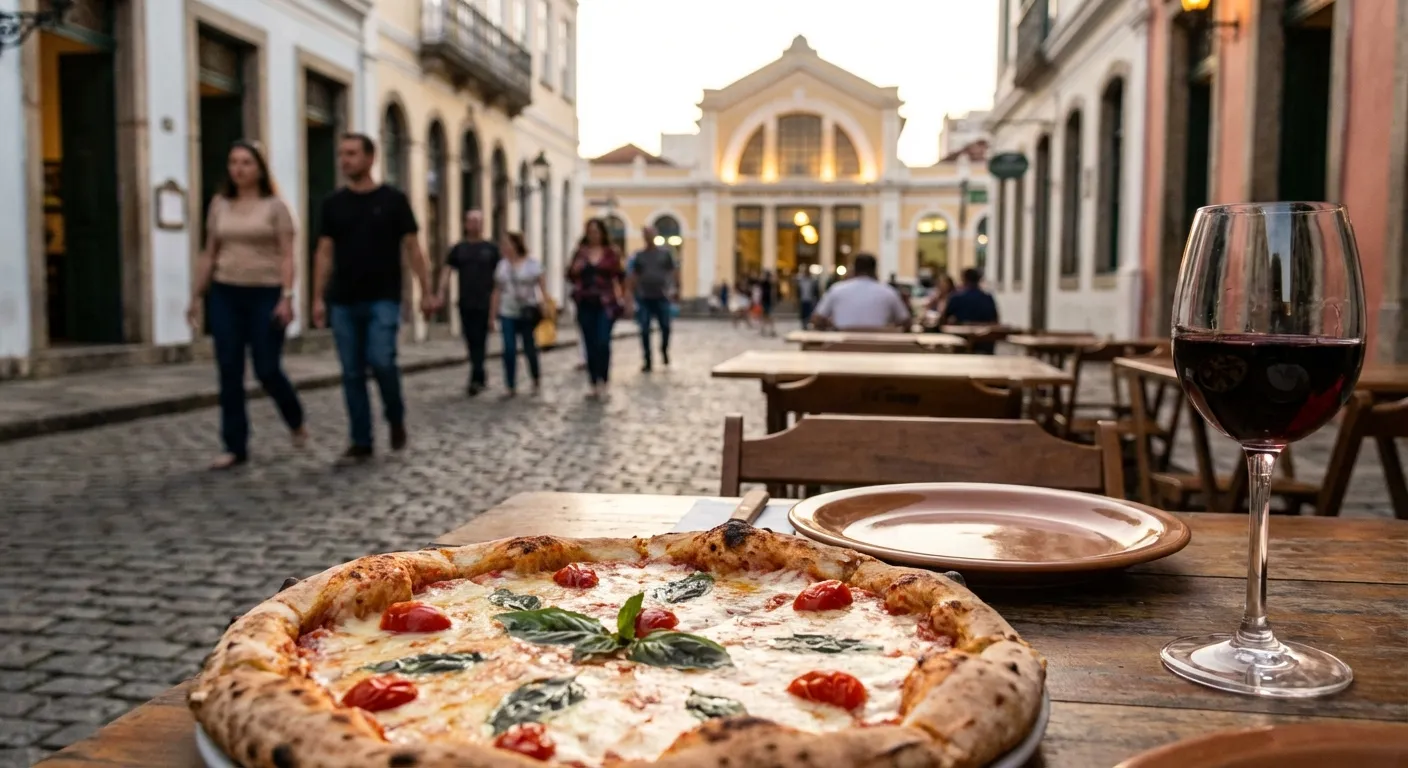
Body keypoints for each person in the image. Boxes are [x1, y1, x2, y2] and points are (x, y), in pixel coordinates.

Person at [311, 133, 440, 465]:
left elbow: (413, 248)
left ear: (370, 158)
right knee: (352, 372)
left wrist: (426, 292)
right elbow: (324, 252)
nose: (345, 160)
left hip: (383, 297)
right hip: (343, 299)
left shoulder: (394, 200)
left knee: (382, 360)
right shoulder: (333, 204)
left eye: (352, 153)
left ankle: (395, 417)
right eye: (342, 154)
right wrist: (317, 298)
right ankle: (361, 440)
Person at [187, 140, 306, 470]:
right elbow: (209, 252)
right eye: (233, 162)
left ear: (260, 168)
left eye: (246, 162)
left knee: (267, 369)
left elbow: (287, 255)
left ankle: (295, 419)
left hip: (266, 294)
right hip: (226, 292)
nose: (238, 169)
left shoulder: (276, 207)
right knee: (229, 369)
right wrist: (196, 295)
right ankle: (234, 446)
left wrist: (287, 296)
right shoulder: (219, 205)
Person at [438, 210, 500, 396]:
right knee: (470, 338)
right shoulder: (459, 249)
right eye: (472, 221)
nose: (475, 224)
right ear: (465, 224)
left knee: (481, 339)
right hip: (466, 301)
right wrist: (441, 292)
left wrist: (497, 303)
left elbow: (500, 277)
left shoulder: (491, 249)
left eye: (478, 221)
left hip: (485, 301)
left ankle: (476, 377)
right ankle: (479, 373)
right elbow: (447, 270)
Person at [567, 218, 627, 399]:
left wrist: (623, 298)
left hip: (606, 304)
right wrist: (574, 270)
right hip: (585, 302)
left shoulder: (611, 253)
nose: (593, 235)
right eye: (590, 231)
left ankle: (604, 380)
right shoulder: (581, 253)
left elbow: (620, 276)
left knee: (603, 341)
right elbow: (569, 275)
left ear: (602, 233)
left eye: (596, 231)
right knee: (589, 343)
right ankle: (593, 382)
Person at [490, 231, 546, 398]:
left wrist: (543, 302)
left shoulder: (531, 264)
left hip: (527, 310)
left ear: (516, 245)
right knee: (509, 348)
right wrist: (492, 315)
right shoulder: (502, 266)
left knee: (529, 347)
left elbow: (541, 283)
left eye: (507, 243)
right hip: (507, 311)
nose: (504, 247)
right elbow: (497, 291)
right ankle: (510, 385)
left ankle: (535, 379)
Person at [811, 253, 912, 331]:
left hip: (842, 347)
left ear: (853, 269)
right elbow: (905, 321)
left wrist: (832, 326)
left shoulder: (837, 289)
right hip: (878, 347)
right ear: (875, 270)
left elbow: (817, 319)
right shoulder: (888, 292)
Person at [627, 225, 677, 372]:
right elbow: (634, 275)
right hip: (644, 297)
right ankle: (647, 359)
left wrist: (676, 288)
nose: (648, 237)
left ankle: (664, 349)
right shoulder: (639, 256)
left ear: (656, 235)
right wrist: (630, 293)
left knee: (665, 327)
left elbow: (673, 271)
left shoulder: (665, 254)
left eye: (651, 234)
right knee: (644, 329)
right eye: (646, 234)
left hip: (662, 296)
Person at [942, 268, 1001, 353]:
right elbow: (995, 320)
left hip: (962, 341)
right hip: (985, 342)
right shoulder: (988, 298)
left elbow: (943, 318)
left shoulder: (956, 298)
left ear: (964, 279)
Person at [757, 271, 777, 337]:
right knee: (766, 316)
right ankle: (768, 330)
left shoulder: (768, 283)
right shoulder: (765, 283)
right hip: (765, 301)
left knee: (766, 316)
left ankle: (766, 330)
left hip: (766, 301)